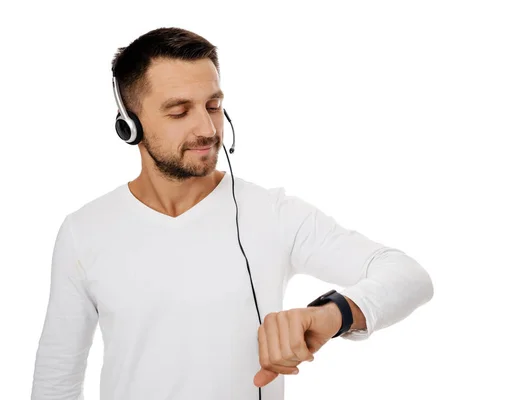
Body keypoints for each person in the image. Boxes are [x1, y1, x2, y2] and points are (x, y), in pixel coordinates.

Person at [30, 27, 434, 400]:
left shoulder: (273, 212)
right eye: (179, 111)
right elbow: (56, 379)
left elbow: (408, 275)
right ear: (129, 124)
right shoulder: (83, 231)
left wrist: (333, 314)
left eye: (213, 105)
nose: (207, 128)